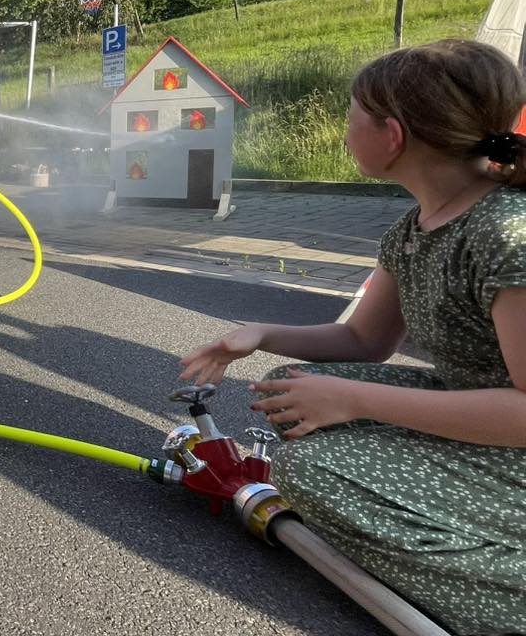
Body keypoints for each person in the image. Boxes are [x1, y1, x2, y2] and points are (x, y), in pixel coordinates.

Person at [180, 39, 526, 636]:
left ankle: (501, 598)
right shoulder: (412, 228)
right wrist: (260, 335)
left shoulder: (505, 233)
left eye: (351, 117)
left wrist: (354, 400)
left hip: (512, 449)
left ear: (391, 136)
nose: (346, 130)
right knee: (289, 388)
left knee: (308, 470)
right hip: (481, 422)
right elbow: (366, 341)